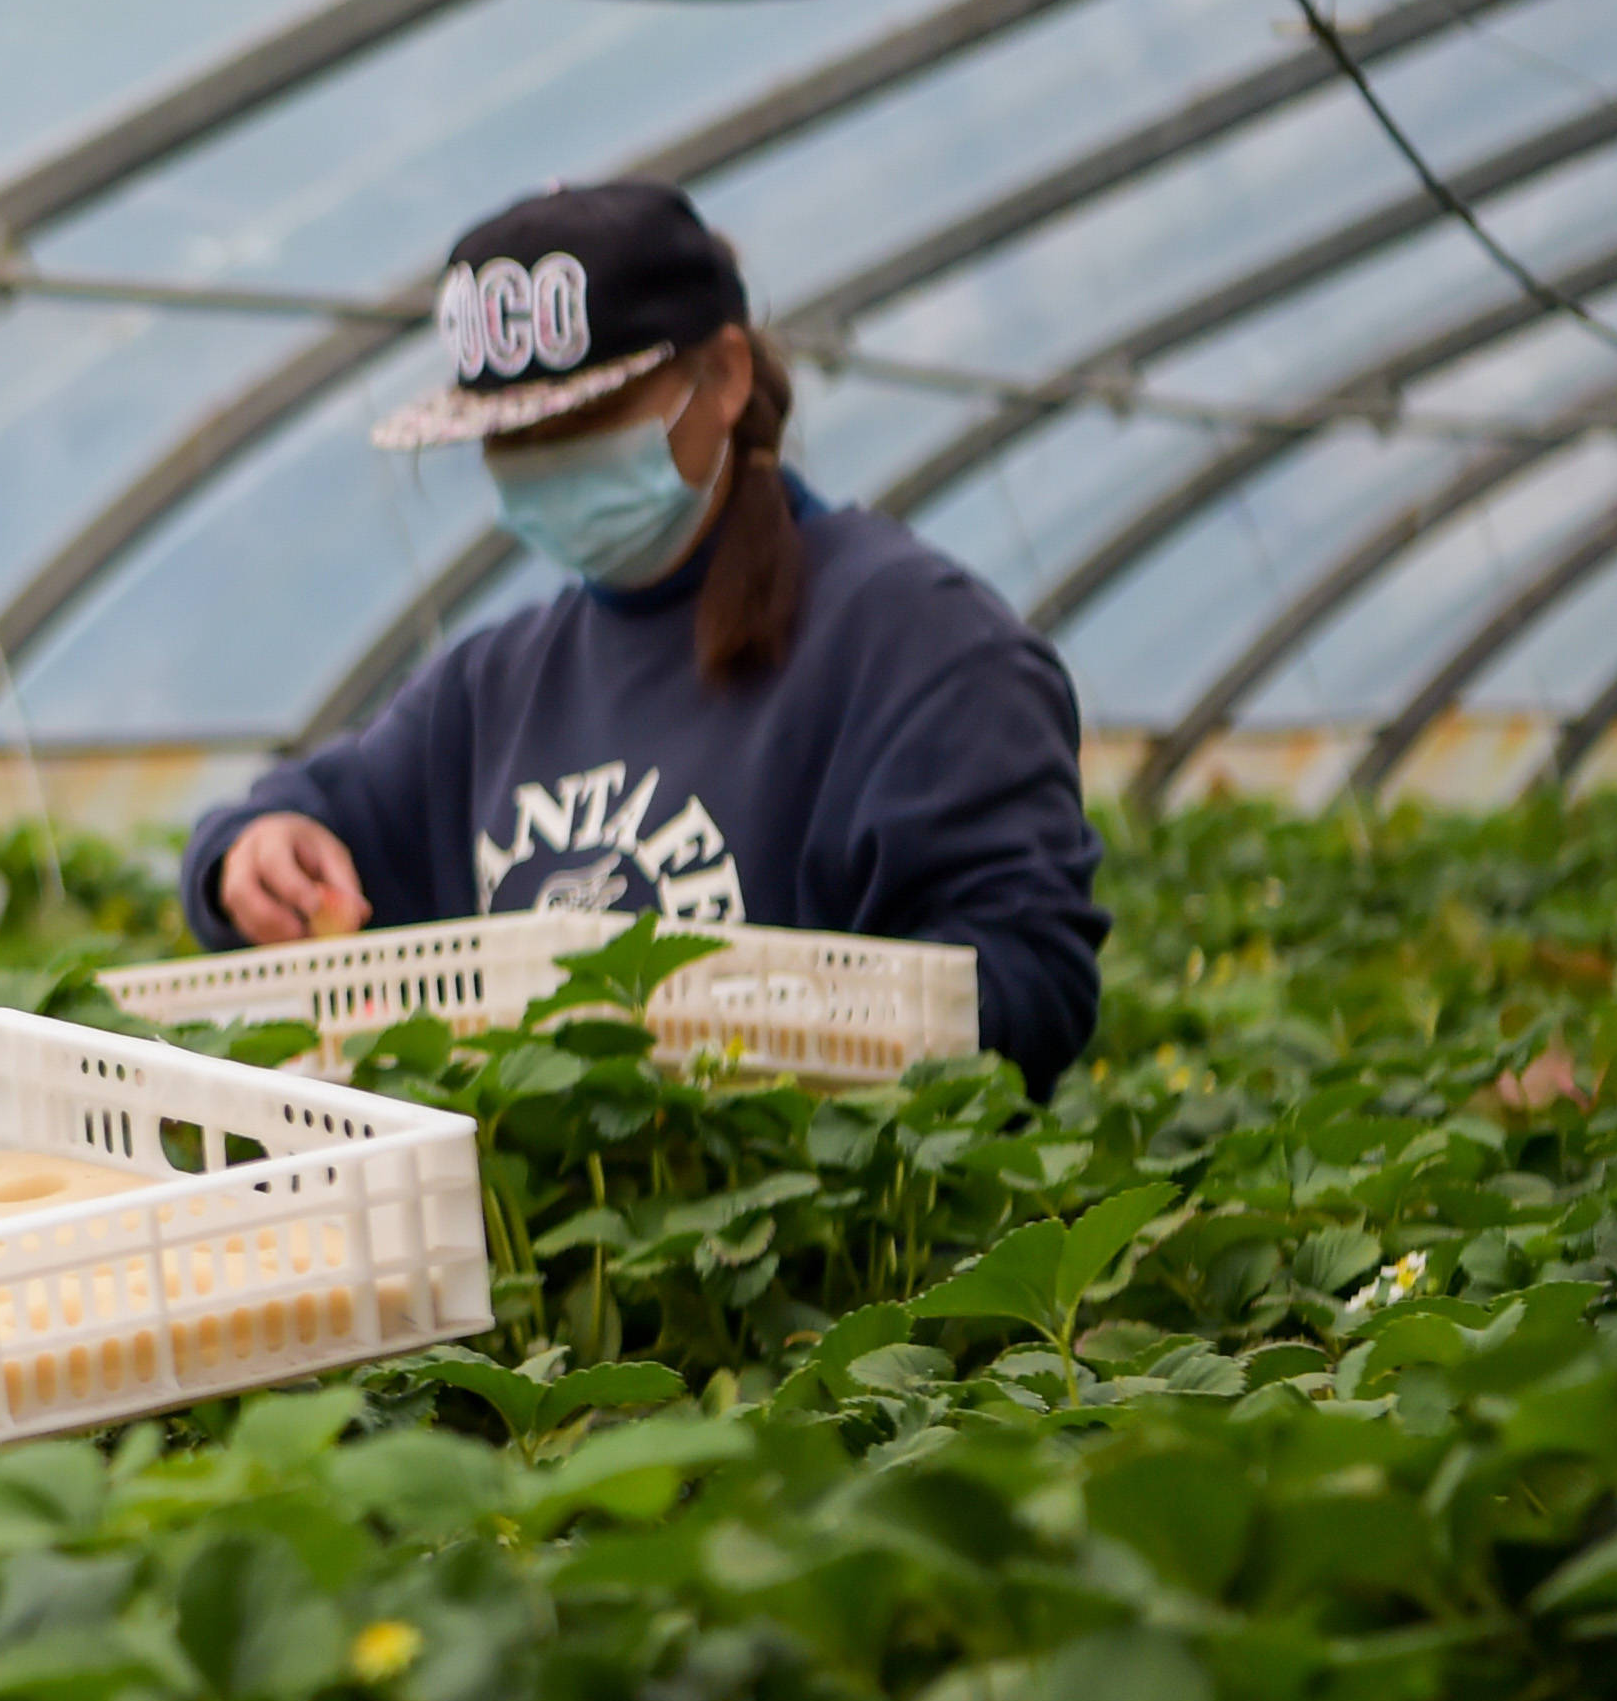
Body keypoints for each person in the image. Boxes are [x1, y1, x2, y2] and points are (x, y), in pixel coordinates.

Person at [179, 179, 1104, 1094]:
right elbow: (301, 819)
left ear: (726, 377)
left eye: (584, 421)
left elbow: (1029, 980)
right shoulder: (496, 685)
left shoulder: (918, 647)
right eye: (512, 438)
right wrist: (256, 850)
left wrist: (756, 1033)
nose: (546, 462)